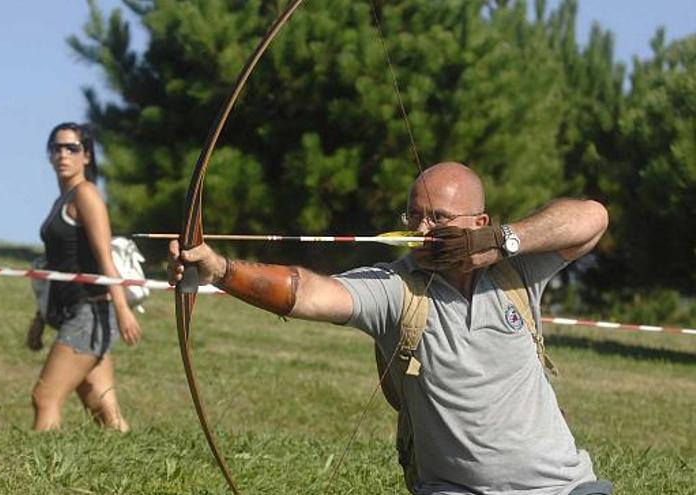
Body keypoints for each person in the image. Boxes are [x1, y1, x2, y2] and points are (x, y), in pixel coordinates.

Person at [168, 162, 612, 495]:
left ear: (479, 223)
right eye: (413, 216)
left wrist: (500, 243)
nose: (422, 230)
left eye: (438, 218)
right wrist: (221, 269)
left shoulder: (517, 272)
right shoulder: (395, 289)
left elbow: (592, 218)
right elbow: (309, 294)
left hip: (565, 487)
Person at [31, 122, 141, 432]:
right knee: (102, 408)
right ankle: (136, 468)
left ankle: (36, 477)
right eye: (57, 147)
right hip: (74, 312)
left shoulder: (86, 194)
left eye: (72, 148)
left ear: (87, 156)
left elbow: (105, 257)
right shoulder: (62, 201)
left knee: (45, 397)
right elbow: (57, 266)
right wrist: (39, 319)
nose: (63, 154)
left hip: (91, 312)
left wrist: (122, 309)